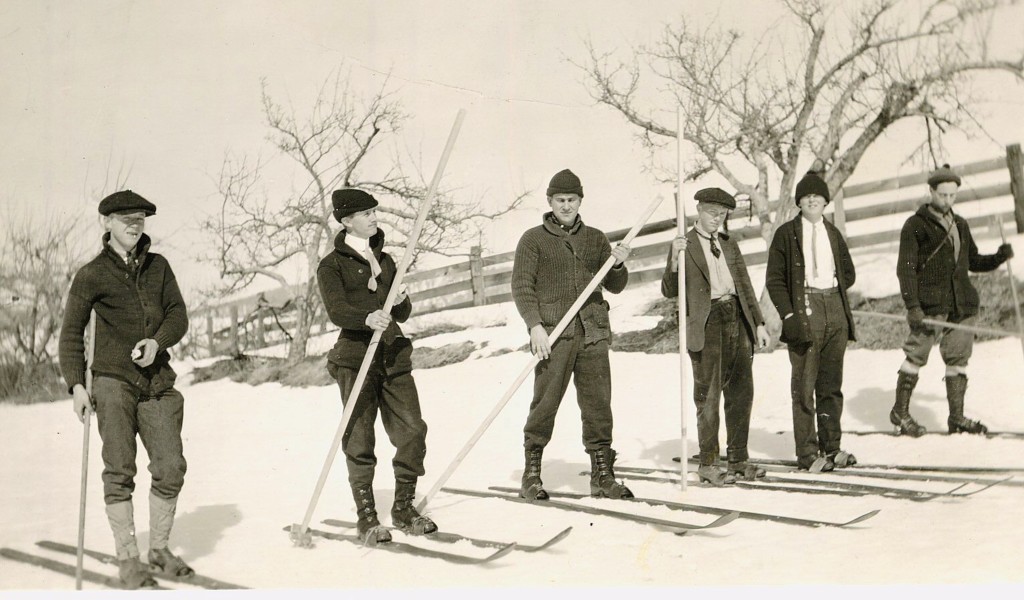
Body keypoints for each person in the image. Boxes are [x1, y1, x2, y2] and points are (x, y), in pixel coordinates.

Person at [58, 190, 191, 589]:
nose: (134, 225)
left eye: (140, 218)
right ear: (107, 224)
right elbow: (70, 335)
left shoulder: (159, 267)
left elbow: (177, 314)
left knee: (170, 467)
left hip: (157, 383)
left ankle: (160, 549)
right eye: (125, 219)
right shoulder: (91, 274)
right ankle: (129, 558)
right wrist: (77, 385)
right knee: (119, 470)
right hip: (112, 382)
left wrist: (158, 342)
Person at [316, 188, 434, 546]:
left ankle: (403, 508)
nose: (374, 218)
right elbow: (337, 311)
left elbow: (400, 314)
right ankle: (366, 517)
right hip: (355, 359)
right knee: (360, 439)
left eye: (374, 212)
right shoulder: (331, 265)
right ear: (348, 220)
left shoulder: (386, 259)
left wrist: (400, 301)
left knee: (412, 430)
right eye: (366, 214)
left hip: (393, 356)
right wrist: (366, 317)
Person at [511, 168, 633, 501]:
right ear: (550, 201)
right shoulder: (533, 240)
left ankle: (602, 475)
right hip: (554, 335)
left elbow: (615, 286)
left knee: (598, 406)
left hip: (593, 332)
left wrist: (618, 265)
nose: (566, 205)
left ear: (581, 201)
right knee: (545, 404)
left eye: (572, 200)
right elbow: (522, 287)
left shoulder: (595, 238)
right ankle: (532, 474)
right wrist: (535, 325)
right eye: (560, 200)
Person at [891, 164, 1014, 436]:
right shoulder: (915, 226)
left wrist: (998, 257)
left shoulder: (960, 224)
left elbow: (972, 262)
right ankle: (900, 412)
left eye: (953, 195)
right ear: (931, 191)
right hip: (929, 306)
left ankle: (956, 418)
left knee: (958, 358)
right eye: (943, 194)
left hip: (962, 305)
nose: (948, 200)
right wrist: (913, 306)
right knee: (916, 355)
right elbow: (906, 270)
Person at [661, 188, 771, 486]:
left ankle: (738, 459)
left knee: (741, 393)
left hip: (737, 318)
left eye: (721, 215)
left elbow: (745, 285)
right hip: (707, 324)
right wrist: (674, 257)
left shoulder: (728, 244)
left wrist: (759, 323)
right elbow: (670, 290)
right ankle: (708, 463)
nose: (716, 219)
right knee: (708, 396)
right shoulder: (685, 246)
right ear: (699, 210)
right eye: (711, 212)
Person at [766, 170, 858, 472]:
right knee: (805, 386)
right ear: (799, 202)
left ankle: (832, 448)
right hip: (805, 309)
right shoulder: (786, 234)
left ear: (826, 201)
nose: (812, 200)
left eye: (817, 196)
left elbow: (849, 273)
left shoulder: (832, 233)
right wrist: (789, 315)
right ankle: (808, 454)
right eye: (806, 197)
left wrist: (833, 295)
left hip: (834, 307)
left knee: (831, 386)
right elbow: (775, 280)